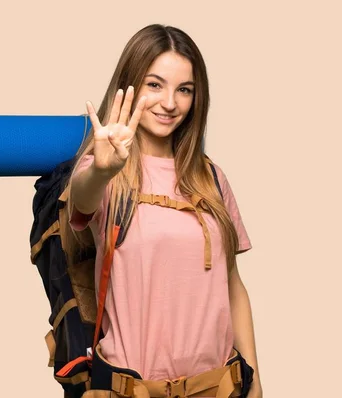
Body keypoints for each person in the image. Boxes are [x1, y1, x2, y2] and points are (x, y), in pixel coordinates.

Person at [64, 24, 263, 398]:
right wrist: (102, 171)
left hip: (218, 388)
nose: (170, 103)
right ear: (130, 85)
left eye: (184, 89)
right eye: (155, 85)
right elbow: (83, 198)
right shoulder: (105, 173)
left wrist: (255, 379)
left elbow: (232, 284)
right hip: (132, 390)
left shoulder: (211, 177)